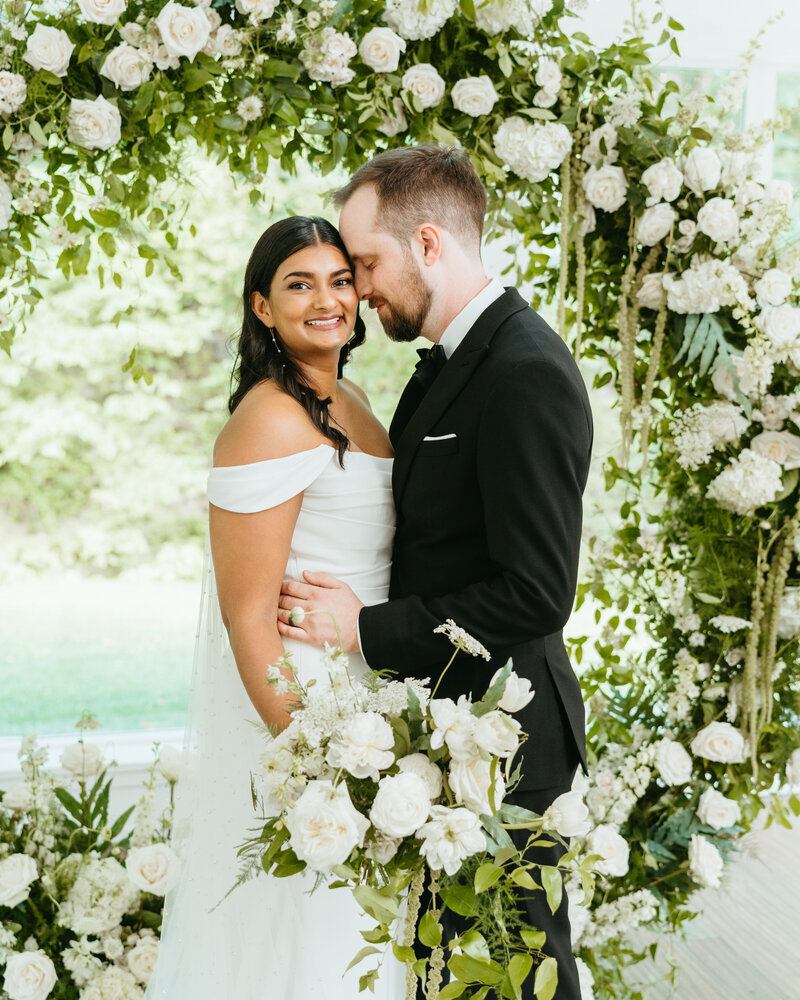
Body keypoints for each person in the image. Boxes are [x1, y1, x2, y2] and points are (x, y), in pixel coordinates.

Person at [278, 146, 593, 1000]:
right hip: (443, 722)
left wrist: (362, 629)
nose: (358, 290)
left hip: (511, 737)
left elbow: (535, 592)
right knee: (447, 973)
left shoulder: (524, 372)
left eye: (366, 265)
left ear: (427, 242)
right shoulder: (444, 367)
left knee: (520, 975)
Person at [144, 216, 402, 1000]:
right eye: (299, 284)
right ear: (261, 307)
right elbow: (248, 617)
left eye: (339, 279)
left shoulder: (348, 396)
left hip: (370, 690)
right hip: (308, 711)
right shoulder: (268, 418)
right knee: (305, 941)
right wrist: (320, 771)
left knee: (361, 943)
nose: (327, 300)